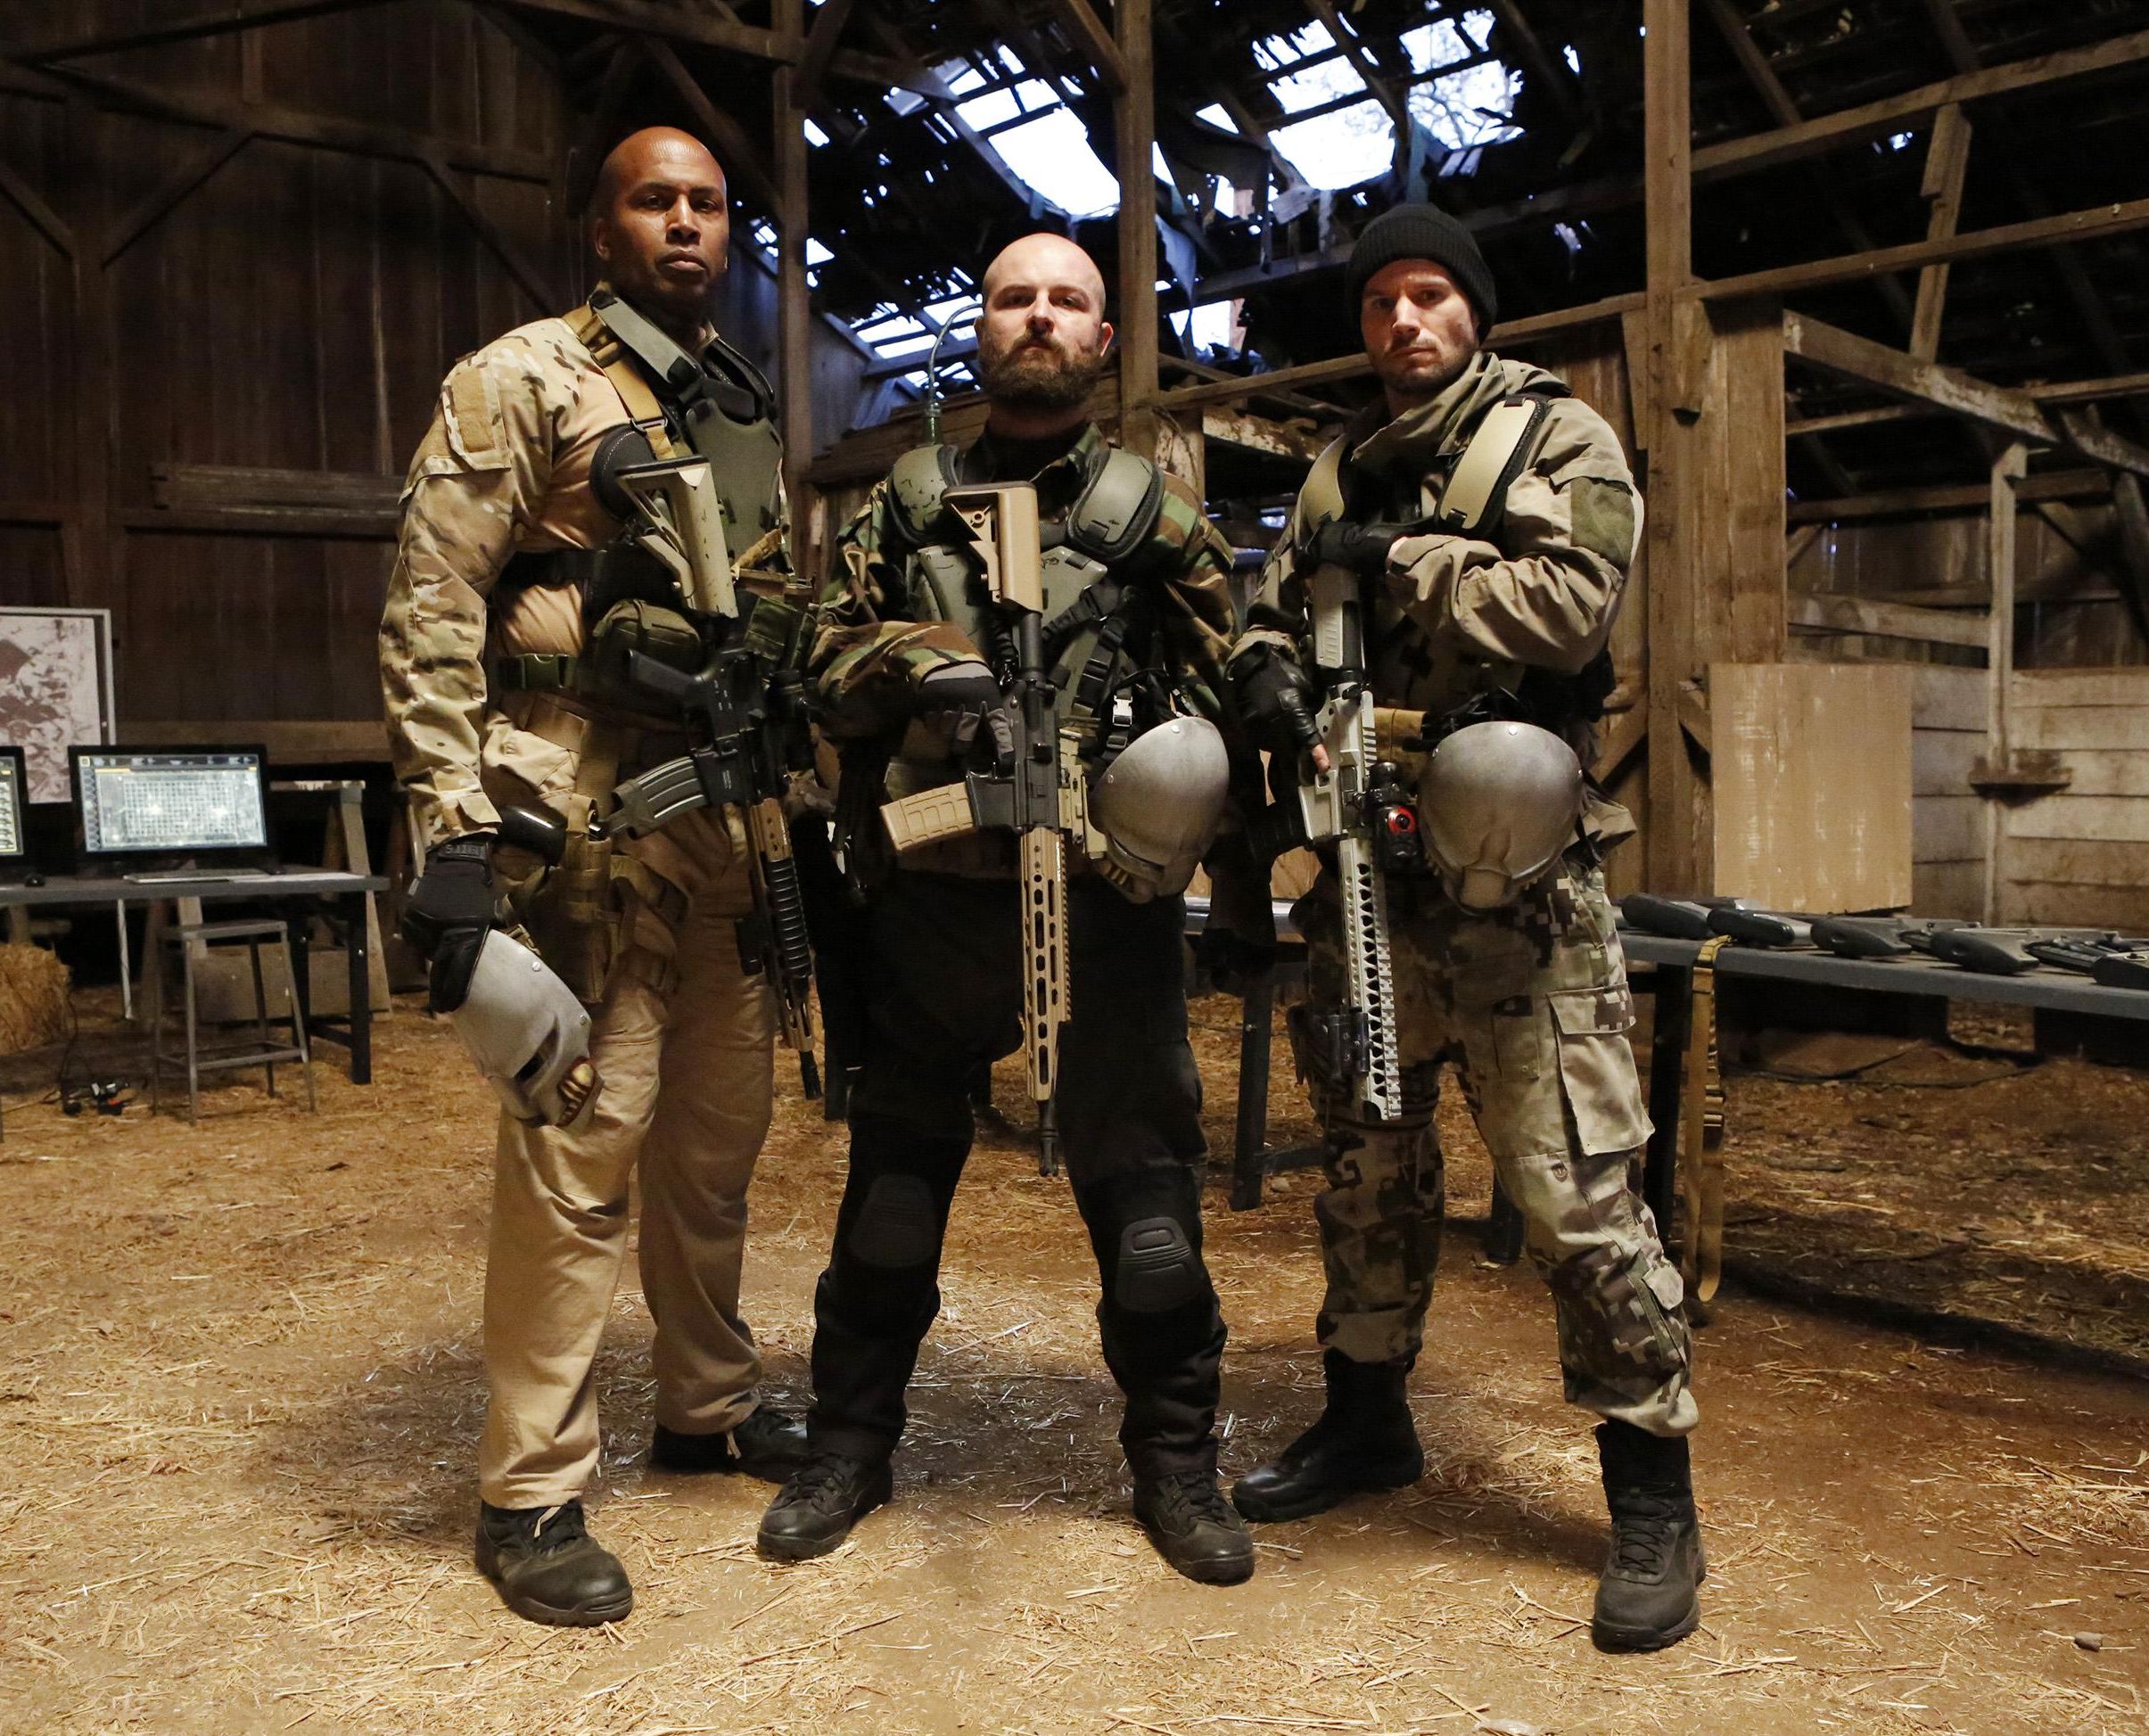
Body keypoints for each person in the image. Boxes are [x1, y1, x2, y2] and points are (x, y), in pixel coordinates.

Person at [1223, 204, 1705, 1651]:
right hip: (1367, 873)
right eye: (1381, 301)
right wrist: (1262, 666)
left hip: (1519, 886)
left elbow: (1568, 610)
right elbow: (1273, 604)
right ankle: (1368, 1419)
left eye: (1431, 295)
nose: (1404, 322)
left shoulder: (1555, 439)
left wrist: (1402, 562)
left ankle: (1653, 1492)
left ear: (1474, 313)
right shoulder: (1337, 468)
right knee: (1367, 1170)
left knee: (1570, 1190)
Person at [758, 232, 1256, 1586]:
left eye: (1067, 300)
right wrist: (923, 663)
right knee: (889, 1207)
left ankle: (1177, 1464)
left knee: (1149, 1220)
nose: (1039, 317)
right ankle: (848, 1448)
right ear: (980, 328)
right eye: (1013, 298)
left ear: (1104, 338)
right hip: (925, 905)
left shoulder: (1157, 516)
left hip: (1105, 908)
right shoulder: (906, 503)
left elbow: (1237, 680)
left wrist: (1231, 854)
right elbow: (814, 656)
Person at [381, 127, 806, 1628]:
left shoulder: (737, 402)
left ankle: (708, 1404)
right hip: (585, 811)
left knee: (715, 1142)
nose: (685, 222)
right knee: (581, 1145)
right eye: (653, 200)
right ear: (601, 228)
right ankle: (532, 1489)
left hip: (726, 820)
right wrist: (449, 828)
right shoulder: (521, 378)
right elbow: (432, 603)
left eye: (708, 204)